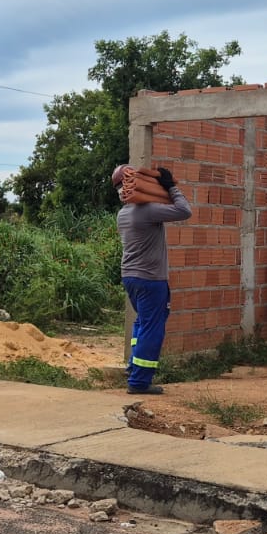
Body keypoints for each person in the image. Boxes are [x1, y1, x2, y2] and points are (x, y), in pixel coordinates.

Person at [114, 164, 192, 395]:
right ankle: (139, 382)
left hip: (131, 277)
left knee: (142, 323)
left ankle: (134, 367)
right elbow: (184, 210)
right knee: (152, 328)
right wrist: (170, 187)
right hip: (150, 279)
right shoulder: (147, 210)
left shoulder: (123, 214)